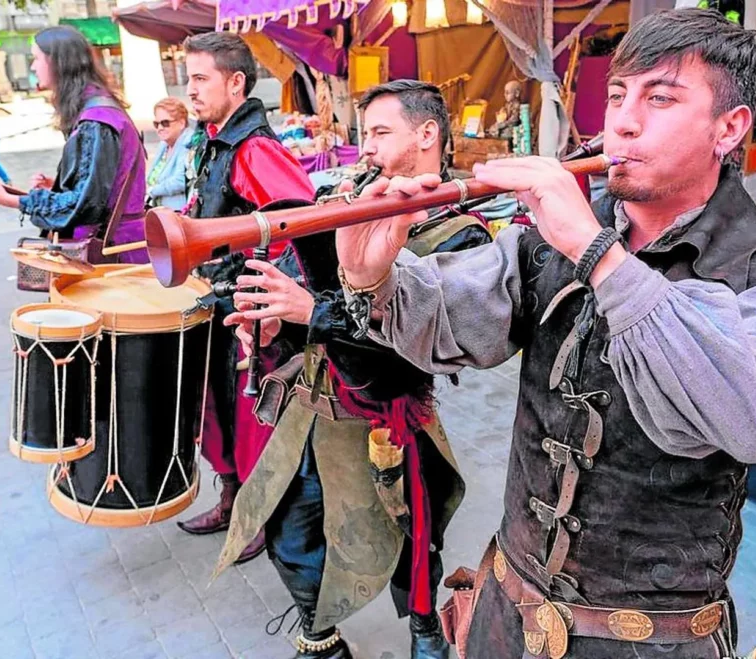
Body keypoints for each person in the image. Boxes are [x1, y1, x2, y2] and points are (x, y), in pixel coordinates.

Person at [332, 9, 756, 658]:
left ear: (730, 127)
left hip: (650, 647)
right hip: (505, 614)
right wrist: (373, 276)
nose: (623, 120)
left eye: (659, 97)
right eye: (617, 93)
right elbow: (450, 315)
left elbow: (744, 416)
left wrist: (596, 250)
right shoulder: (542, 243)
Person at [215, 80, 493, 659]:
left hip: (390, 417)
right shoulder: (350, 201)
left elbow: (420, 346)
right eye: (364, 134)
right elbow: (309, 288)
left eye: (380, 133)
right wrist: (271, 322)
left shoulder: (461, 233)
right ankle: (320, 637)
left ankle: (425, 632)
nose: (366, 148)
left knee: (411, 539)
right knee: (288, 534)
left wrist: (308, 308)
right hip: (312, 408)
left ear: (426, 135)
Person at [171, 32, 314, 564]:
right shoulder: (216, 139)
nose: (192, 89)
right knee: (219, 415)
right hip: (218, 304)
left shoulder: (256, 148)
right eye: (189, 79)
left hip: (250, 315)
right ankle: (232, 500)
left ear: (235, 83)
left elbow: (301, 224)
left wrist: (266, 298)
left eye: (200, 78)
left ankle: (259, 515)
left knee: (254, 423)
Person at [0, 26, 148, 265]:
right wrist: (60, 185)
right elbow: (101, 189)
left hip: (114, 252)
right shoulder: (97, 111)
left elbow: (86, 205)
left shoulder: (97, 118)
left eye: (37, 58)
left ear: (58, 62)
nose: (33, 66)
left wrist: (12, 200)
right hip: (114, 245)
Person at [146, 97, 196, 211]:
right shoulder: (163, 145)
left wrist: (152, 191)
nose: (160, 128)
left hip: (180, 215)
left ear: (182, 123)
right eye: (156, 124)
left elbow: (181, 181)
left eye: (165, 123)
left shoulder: (188, 143)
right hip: (161, 213)